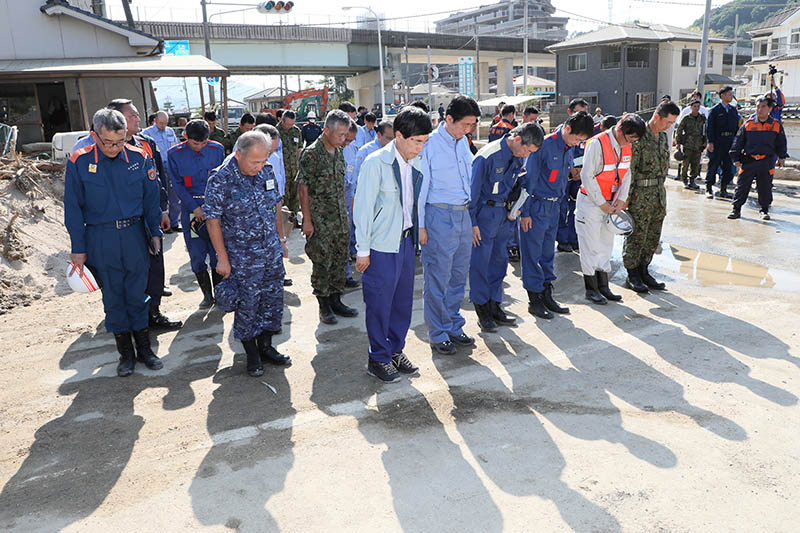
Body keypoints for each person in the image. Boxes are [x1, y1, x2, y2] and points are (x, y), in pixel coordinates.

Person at [64, 108, 164, 377]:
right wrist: (78, 248)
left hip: (134, 235)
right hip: (101, 237)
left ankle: (145, 349)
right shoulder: (79, 161)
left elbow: (151, 198)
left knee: (138, 293)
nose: (114, 148)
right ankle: (125, 354)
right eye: (108, 142)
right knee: (113, 296)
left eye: (120, 142)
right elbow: (73, 208)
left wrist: (154, 232)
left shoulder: (139, 157)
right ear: (94, 135)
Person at [353, 106, 433, 382]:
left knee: (402, 303)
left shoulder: (415, 162)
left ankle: (395, 350)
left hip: (406, 243)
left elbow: (413, 201)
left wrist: (419, 228)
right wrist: (363, 250)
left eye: (424, 142)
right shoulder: (376, 163)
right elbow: (363, 209)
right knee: (379, 304)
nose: (420, 148)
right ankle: (378, 357)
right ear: (398, 136)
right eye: (416, 141)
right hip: (381, 247)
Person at [205, 131, 291, 377]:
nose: (259, 166)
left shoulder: (267, 171)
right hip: (241, 256)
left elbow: (276, 207)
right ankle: (251, 353)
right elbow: (212, 220)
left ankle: (266, 346)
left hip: (270, 250)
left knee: (272, 300)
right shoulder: (221, 179)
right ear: (238, 154)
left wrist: (281, 239)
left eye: (264, 160)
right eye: (255, 161)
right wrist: (222, 258)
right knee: (248, 305)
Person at [418, 95, 481, 355]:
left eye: (472, 125)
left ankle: (454, 324)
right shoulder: (430, 144)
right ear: (449, 119)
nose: (468, 129)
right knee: (438, 277)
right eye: (465, 124)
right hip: (439, 215)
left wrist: (472, 220)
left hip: (463, 215)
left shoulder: (463, 142)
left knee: (458, 275)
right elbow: (422, 188)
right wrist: (421, 226)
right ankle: (438, 332)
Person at [469, 122, 544, 331]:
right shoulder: (488, 155)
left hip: (504, 215)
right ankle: (482, 309)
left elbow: (517, 184)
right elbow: (472, 193)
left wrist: (517, 207)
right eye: (527, 150)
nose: (527, 155)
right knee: (480, 264)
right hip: (484, 215)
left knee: (499, 263)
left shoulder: (518, 157)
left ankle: (495, 305)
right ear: (518, 140)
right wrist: (472, 223)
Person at [519, 112, 594, 319]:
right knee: (532, 255)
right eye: (577, 139)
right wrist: (525, 212)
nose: (577, 143)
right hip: (536, 207)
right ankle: (534, 299)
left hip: (554, 207)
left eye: (581, 141)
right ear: (567, 129)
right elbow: (528, 180)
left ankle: (547, 294)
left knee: (547, 254)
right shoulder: (544, 145)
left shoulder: (567, 147)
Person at [576, 113, 646, 305]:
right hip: (591, 204)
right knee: (590, 246)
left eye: (634, 140)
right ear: (620, 130)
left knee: (606, 246)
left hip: (612, 204)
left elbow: (626, 174)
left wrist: (621, 199)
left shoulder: (627, 146)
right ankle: (591, 289)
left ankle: (603, 286)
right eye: (629, 138)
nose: (630, 143)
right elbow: (587, 176)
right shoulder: (597, 144)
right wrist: (602, 203)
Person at [297, 109, 359, 325]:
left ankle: (336, 299)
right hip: (320, 219)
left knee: (340, 260)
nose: (343, 139)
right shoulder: (311, 154)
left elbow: (341, 186)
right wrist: (307, 220)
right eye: (340, 135)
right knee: (322, 261)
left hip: (339, 218)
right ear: (326, 130)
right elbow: (303, 188)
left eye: (345, 135)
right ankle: (324, 305)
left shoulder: (338, 152)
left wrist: (346, 214)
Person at [167, 119, 226, 309]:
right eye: (195, 143)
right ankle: (207, 296)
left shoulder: (217, 149)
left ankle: (220, 294)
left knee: (217, 252)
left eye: (203, 143)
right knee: (197, 254)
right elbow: (177, 185)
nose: (199, 147)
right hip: (191, 210)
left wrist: (211, 207)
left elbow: (222, 180)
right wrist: (195, 208)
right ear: (186, 137)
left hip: (214, 209)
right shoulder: (174, 154)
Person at [623, 100, 680, 294]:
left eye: (672, 123)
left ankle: (644, 270)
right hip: (640, 195)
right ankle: (632, 273)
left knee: (653, 235)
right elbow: (631, 170)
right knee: (637, 235)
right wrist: (627, 198)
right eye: (668, 122)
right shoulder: (639, 137)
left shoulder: (662, 138)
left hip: (658, 194)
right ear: (657, 117)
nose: (669, 126)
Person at [728, 96, 788, 221]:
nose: (759, 110)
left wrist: (782, 156)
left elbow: (781, 142)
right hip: (748, 161)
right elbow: (738, 142)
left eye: (763, 107)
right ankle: (736, 209)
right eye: (757, 107)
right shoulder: (748, 124)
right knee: (742, 186)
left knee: (765, 187)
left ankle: (764, 210)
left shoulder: (775, 125)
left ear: (770, 109)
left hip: (766, 161)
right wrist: (735, 158)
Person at [556, 100, 590, 254]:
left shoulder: (587, 133)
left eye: (585, 113)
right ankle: (563, 240)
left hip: (581, 174)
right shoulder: (563, 131)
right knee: (562, 208)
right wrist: (571, 168)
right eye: (579, 112)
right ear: (570, 113)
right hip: (566, 174)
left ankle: (574, 238)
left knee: (577, 207)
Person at [142, 110, 182, 231]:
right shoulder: (146, 133)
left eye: (165, 123)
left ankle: (174, 222)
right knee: (160, 195)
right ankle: (163, 224)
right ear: (155, 121)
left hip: (171, 166)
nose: (163, 125)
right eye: (161, 123)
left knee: (174, 195)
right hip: (157, 167)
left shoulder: (170, 131)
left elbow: (175, 147)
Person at [705, 86, 740, 199]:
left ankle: (723, 189)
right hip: (717, 141)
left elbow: (736, 128)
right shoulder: (715, 110)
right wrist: (710, 142)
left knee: (727, 167)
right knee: (713, 165)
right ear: (722, 96)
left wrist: (737, 143)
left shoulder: (733, 110)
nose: (731, 96)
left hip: (729, 142)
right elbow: (710, 127)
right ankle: (709, 188)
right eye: (729, 94)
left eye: (731, 94)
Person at [342, 120, 361, 289]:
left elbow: (353, 173)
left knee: (349, 230)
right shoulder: (334, 150)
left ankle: (346, 272)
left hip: (350, 192)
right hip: (337, 196)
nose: (347, 142)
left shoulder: (353, 148)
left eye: (351, 140)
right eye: (346, 139)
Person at [674, 100, 706, 190]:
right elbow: (679, 130)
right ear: (691, 107)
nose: (696, 108)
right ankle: (685, 180)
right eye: (695, 106)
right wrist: (678, 142)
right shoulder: (686, 118)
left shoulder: (702, 118)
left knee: (695, 164)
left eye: (698, 106)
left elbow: (705, 130)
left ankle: (692, 181)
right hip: (688, 144)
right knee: (685, 164)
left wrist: (705, 141)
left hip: (698, 144)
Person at [278, 110, 303, 220]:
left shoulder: (296, 131)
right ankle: (285, 221)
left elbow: (299, 148)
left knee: (295, 196)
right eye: (288, 124)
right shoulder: (276, 132)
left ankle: (294, 219)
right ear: (282, 120)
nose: (290, 126)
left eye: (292, 124)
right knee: (285, 196)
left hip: (295, 170)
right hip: (282, 171)